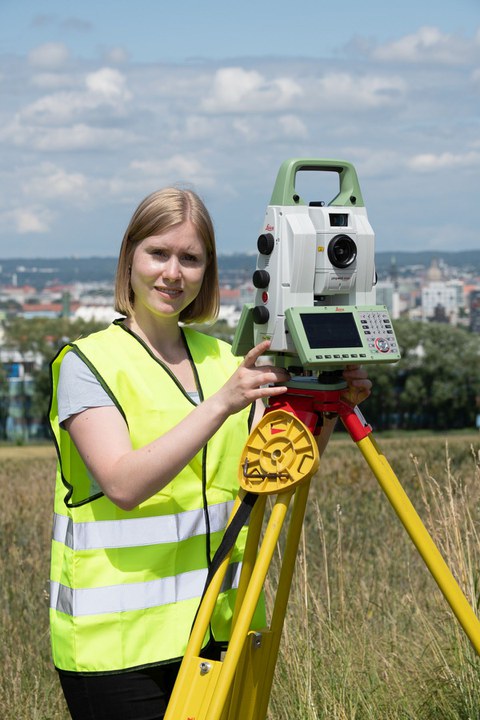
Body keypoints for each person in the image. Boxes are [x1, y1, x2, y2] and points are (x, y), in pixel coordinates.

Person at [48, 186, 371, 720]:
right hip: (117, 647)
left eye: (190, 258)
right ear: (130, 255)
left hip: (220, 627)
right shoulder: (90, 363)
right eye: (159, 253)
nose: (173, 273)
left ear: (207, 271)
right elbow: (124, 485)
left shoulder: (227, 360)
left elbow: (284, 465)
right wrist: (223, 403)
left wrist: (331, 404)